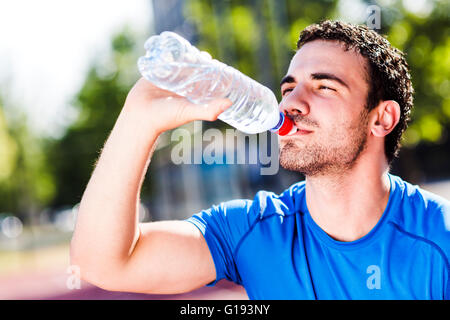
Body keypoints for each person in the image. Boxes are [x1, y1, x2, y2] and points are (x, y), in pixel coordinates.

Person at [70, 20, 450, 299]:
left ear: (381, 118)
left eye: (324, 86)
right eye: (289, 87)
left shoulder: (439, 240)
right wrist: (138, 120)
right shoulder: (250, 231)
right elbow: (102, 263)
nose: (291, 103)